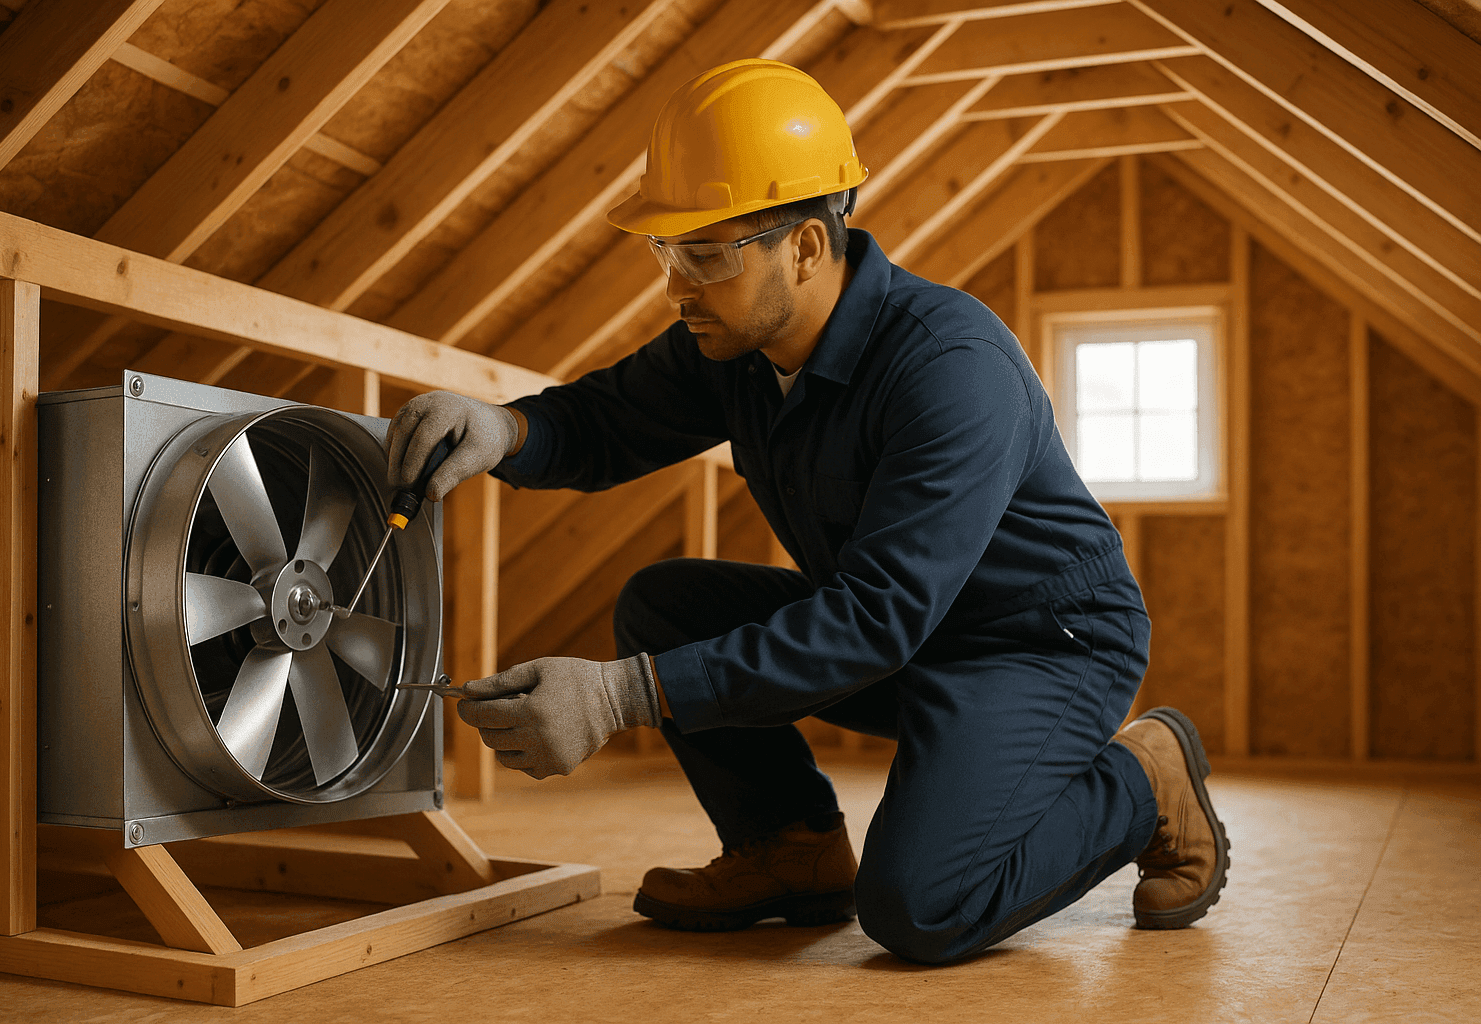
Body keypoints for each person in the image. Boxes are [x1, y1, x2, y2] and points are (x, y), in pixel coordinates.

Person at [385, 58, 1229, 964]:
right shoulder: (736, 343)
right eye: (667, 253)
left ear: (807, 248)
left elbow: (876, 616)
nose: (677, 288)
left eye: (705, 255)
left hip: (1037, 648)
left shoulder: (951, 366)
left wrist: (620, 694)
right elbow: (608, 420)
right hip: (907, 636)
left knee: (920, 905)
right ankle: (790, 851)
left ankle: (1146, 779)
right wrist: (504, 428)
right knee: (664, 603)